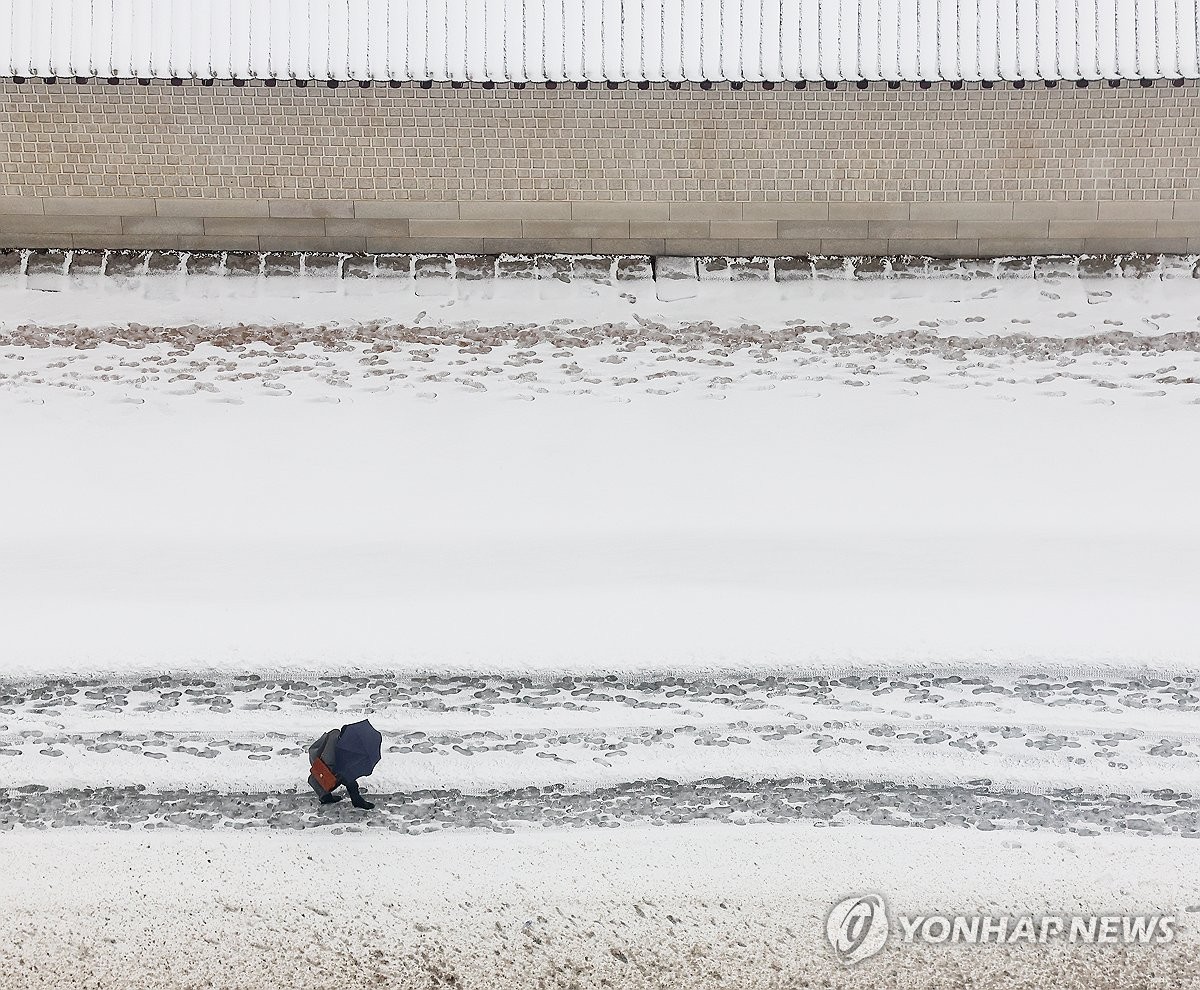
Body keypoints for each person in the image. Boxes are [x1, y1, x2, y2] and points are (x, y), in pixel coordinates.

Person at [308, 725, 375, 809]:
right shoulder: (341, 746)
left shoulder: (333, 734)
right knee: (350, 781)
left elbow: (316, 750)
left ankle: (325, 797)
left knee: (339, 774)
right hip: (328, 774)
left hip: (317, 772)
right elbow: (334, 763)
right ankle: (357, 801)